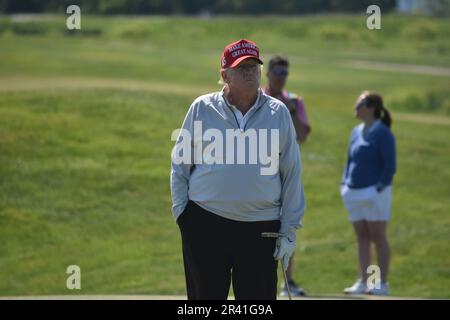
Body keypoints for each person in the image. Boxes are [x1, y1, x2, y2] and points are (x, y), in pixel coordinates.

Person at [170, 39, 306, 300]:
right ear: (225, 75)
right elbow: (180, 164)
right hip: (205, 223)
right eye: (241, 67)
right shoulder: (202, 108)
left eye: (254, 66)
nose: (249, 72)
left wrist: (289, 230)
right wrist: (182, 215)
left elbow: (291, 172)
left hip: (261, 227)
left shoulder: (277, 113)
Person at [263, 56, 311, 297]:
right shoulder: (258, 98)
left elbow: (302, 136)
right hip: (262, 171)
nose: (281, 76)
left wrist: (291, 111)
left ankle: (288, 280)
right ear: (268, 73)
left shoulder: (295, 101)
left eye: (285, 72)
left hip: (287, 171)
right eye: (277, 71)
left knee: (288, 224)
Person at [341, 91, 396, 296]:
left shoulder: (383, 133)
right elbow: (349, 160)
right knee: (362, 236)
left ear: (371, 108)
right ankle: (364, 282)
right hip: (353, 192)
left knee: (377, 236)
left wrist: (378, 188)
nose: (356, 106)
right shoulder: (356, 131)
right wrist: (344, 183)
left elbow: (390, 166)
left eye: (360, 103)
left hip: (375, 193)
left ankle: (380, 283)